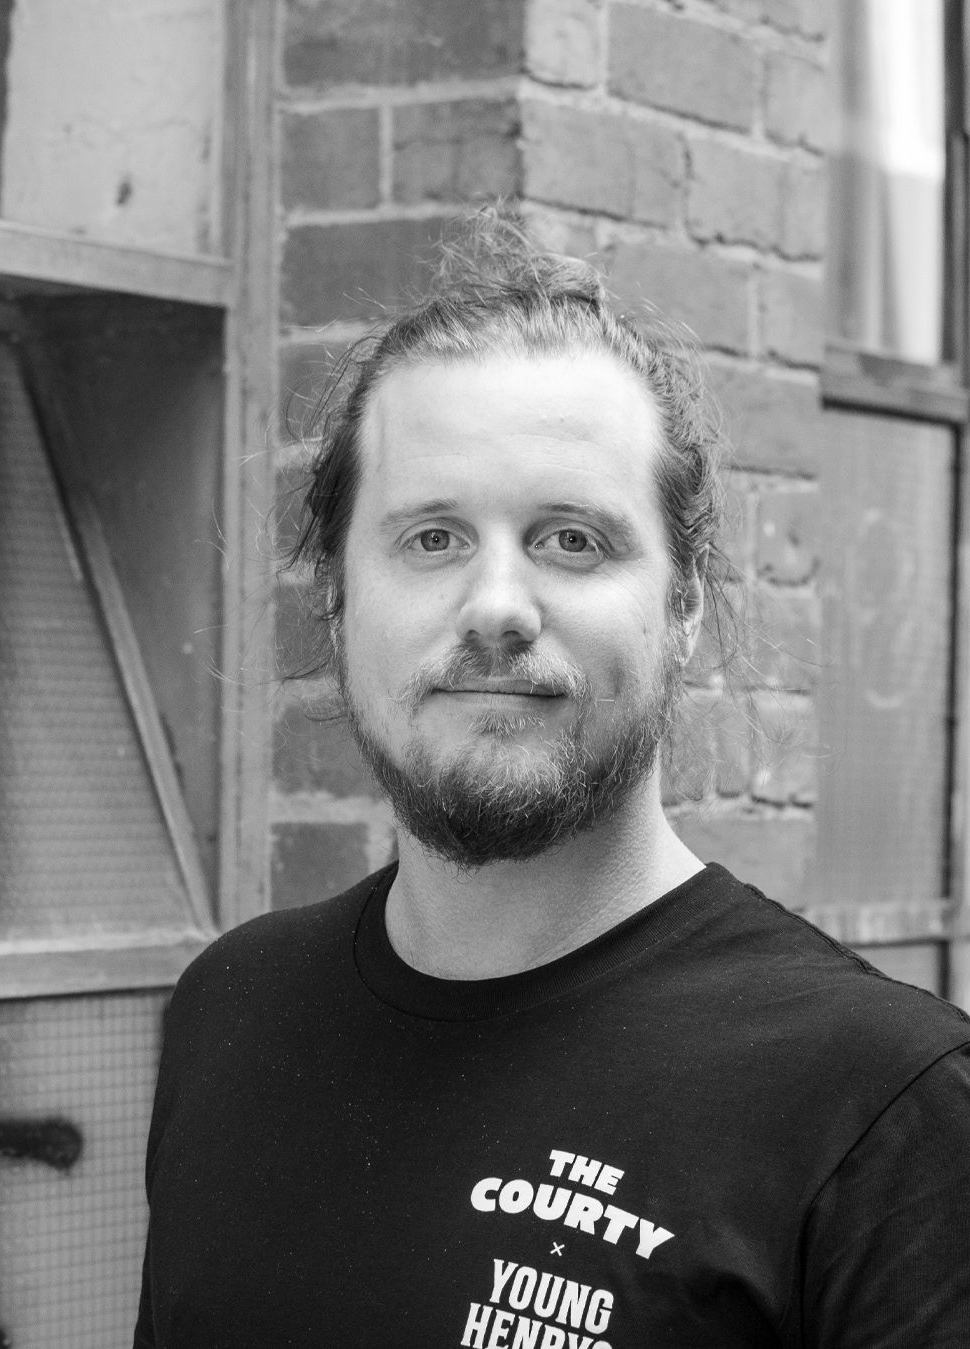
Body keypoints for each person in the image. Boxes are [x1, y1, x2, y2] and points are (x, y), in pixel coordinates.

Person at [134, 212, 970, 1348]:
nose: (496, 606)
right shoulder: (229, 1008)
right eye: (430, 537)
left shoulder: (881, 1105)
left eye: (571, 539)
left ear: (681, 608)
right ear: (336, 597)